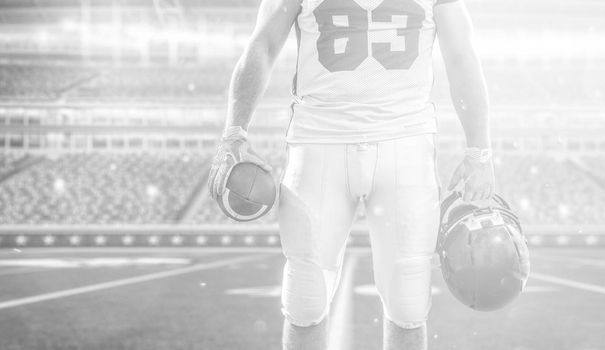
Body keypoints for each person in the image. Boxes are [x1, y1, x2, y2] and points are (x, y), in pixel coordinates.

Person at [208, 0, 494, 348]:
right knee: (305, 300)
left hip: (404, 144)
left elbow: (462, 56)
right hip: (319, 142)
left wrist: (480, 150)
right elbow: (263, 44)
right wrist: (234, 132)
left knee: (408, 304)